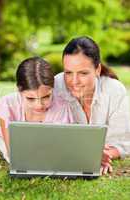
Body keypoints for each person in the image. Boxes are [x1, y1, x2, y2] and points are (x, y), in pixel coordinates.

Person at [54, 36, 130, 175]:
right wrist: (89, 154)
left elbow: (123, 142)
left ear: (97, 70)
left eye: (83, 73)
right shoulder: (56, 86)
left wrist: (103, 155)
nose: (74, 81)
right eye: (68, 72)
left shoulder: (114, 90)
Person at [0, 56, 75, 162]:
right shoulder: (7, 104)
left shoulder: (62, 106)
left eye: (46, 97)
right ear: (19, 90)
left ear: (53, 88)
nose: (39, 105)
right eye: (30, 98)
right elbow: (13, 154)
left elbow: (60, 147)